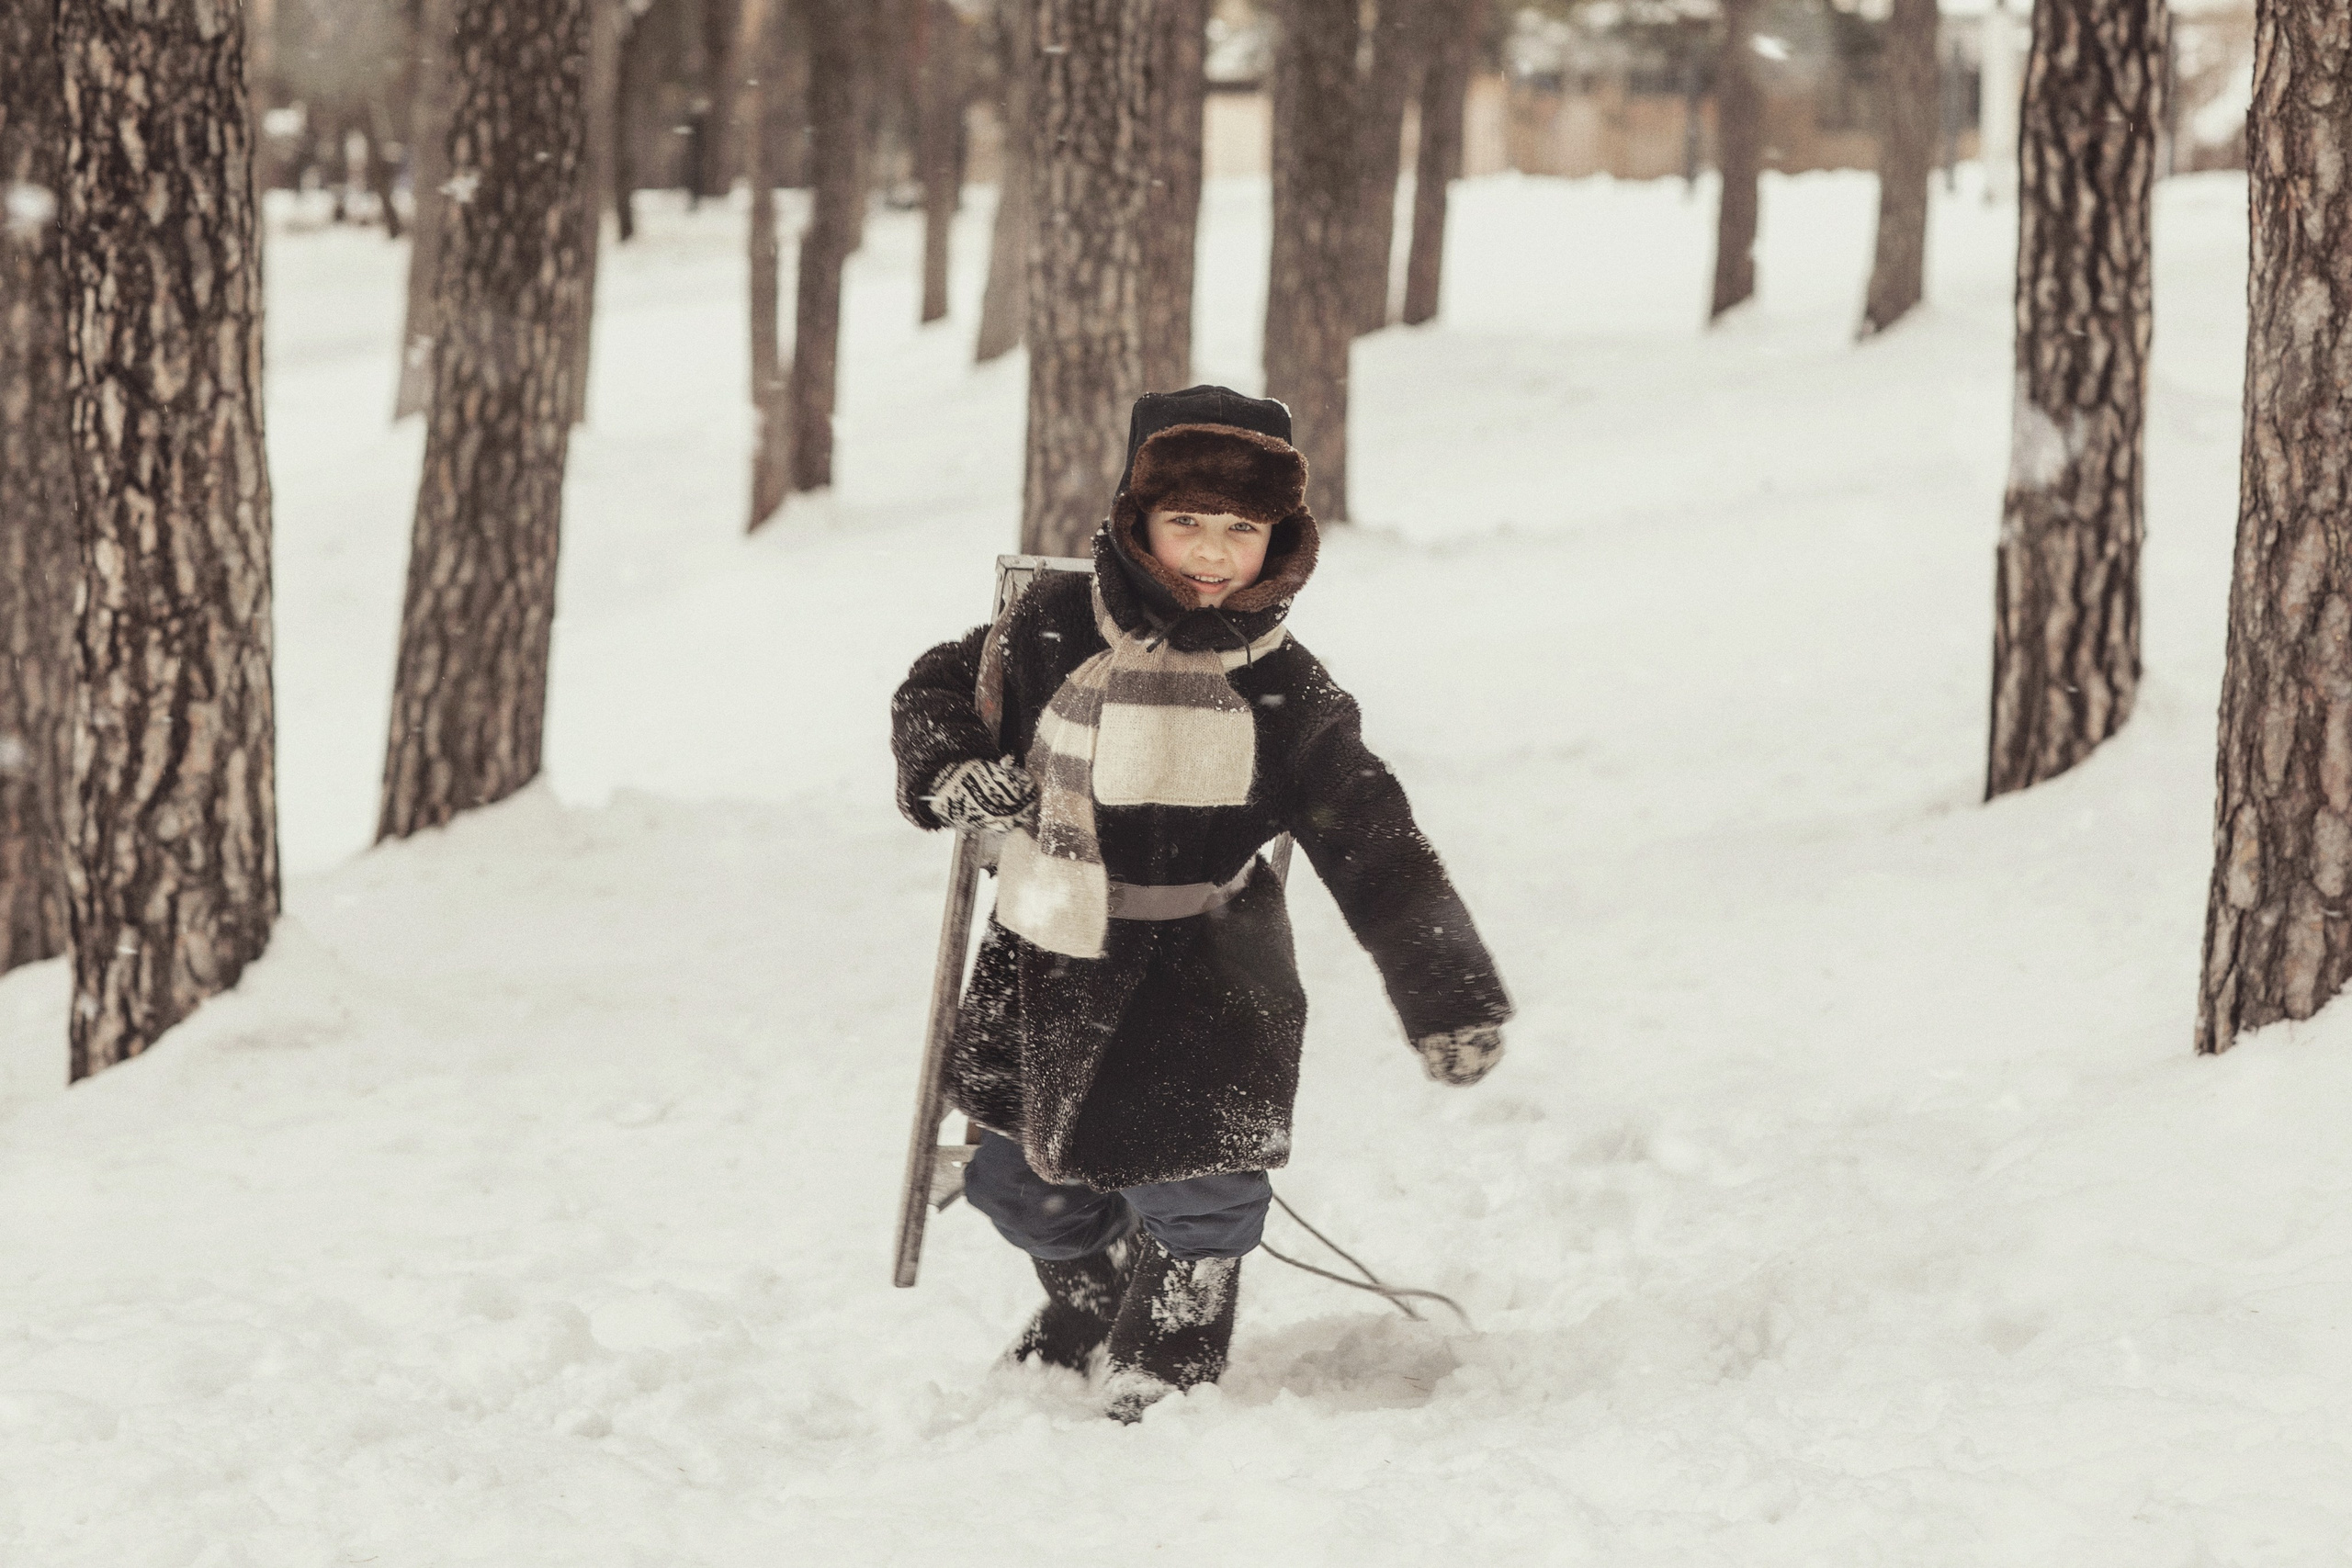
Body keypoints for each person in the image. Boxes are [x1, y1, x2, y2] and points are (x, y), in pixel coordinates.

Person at [890, 385, 1511, 1421]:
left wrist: (1450, 994)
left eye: (1242, 528)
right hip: (1046, 952)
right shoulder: (1045, 628)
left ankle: (1173, 1337)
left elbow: (1376, 844)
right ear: (1137, 521)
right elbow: (933, 693)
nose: (1213, 554)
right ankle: (1086, 1300)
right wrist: (950, 766)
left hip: (1209, 968)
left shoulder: (1288, 688)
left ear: (1280, 538)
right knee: (1020, 1183)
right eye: (1186, 523)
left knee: (1200, 1187)